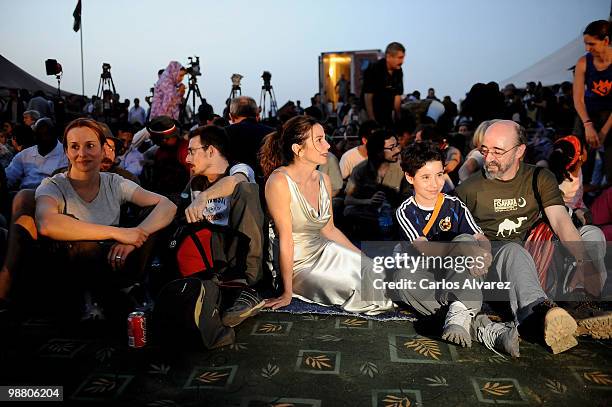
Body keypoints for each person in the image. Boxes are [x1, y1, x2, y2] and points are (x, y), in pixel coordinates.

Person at [0, 118, 177, 317]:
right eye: (74, 147)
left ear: (103, 149)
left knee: (154, 218)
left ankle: (128, 291)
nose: (82, 154)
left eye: (90, 146)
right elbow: (47, 223)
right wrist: (119, 233)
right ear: (66, 152)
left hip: (113, 260)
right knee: (80, 245)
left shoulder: (115, 182)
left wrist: (134, 239)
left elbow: (167, 205)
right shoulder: (54, 185)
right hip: (71, 265)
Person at [456, 120, 609, 347]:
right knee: (513, 250)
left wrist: (584, 261)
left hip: (540, 259)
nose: (489, 159)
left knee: (591, 235)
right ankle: (538, 316)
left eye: (498, 151)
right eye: (485, 151)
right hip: (501, 271)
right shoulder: (469, 189)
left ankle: (581, 304)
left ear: (520, 150)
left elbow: (560, 221)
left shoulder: (540, 177)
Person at [393, 141, 518, 356]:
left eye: (439, 175)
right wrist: (460, 249)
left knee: (467, 240)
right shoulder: (406, 211)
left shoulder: (454, 204)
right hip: (430, 274)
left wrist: (485, 254)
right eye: (425, 177)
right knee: (401, 280)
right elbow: (424, 249)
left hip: (463, 272)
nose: (435, 183)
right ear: (410, 177)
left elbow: (480, 237)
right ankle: (484, 328)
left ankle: (460, 313)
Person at [259, 116, 393, 314]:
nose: (328, 145)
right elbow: (286, 239)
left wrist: (364, 258)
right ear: (298, 149)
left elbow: (329, 229)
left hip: (325, 249)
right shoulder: (279, 181)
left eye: (325, 138)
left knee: (377, 272)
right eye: (319, 140)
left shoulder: (324, 179)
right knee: (361, 289)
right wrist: (286, 292)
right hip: (298, 265)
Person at [182, 125, 265, 326]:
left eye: (192, 151)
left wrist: (204, 198)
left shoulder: (239, 169)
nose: (187, 158)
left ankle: (246, 285)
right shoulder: (195, 182)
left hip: (241, 255)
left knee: (246, 190)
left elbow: (236, 181)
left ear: (210, 151)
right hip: (212, 258)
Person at [343, 129, 404, 239]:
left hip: (395, 214)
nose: (397, 150)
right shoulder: (360, 170)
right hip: (370, 215)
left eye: (397, 146)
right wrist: (369, 201)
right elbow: (348, 200)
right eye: (391, 148)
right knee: (349, 211)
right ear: (378, 151)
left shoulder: (402, 169)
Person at [573, 20, 612, 186]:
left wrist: (603, 132)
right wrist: (587, 124)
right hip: (587, 114)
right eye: (585, 44)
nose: (588, 48)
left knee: (610, 168)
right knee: (577, 161)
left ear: (606, 41)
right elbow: (578, 98)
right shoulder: (584, 62)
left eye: (591, 44)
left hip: (609, 116)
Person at [5, 118, 68, 190]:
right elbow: (9, 177)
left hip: (54, 195)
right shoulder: (24, 155)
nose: (44, 138)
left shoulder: (67, 154)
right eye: (39, 135)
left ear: (55, 134)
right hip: (25, 194)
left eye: (47, 134)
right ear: (35, 136)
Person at [225, 96, 274, 179]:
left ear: (231, 116)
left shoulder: (224, 133)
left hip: (236, 186)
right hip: (268, 184)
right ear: (257, 114)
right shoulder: (273, 133)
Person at [362, 42, 405, 126]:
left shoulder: (398, 72)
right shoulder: (374, 69)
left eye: (403, 58)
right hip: (370, 112)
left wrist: (399, 118)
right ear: (388, 57)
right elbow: (368, 96)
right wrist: (372, 120)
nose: (402, 61)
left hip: (386, 112)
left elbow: (397, 96)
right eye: (399, 58)